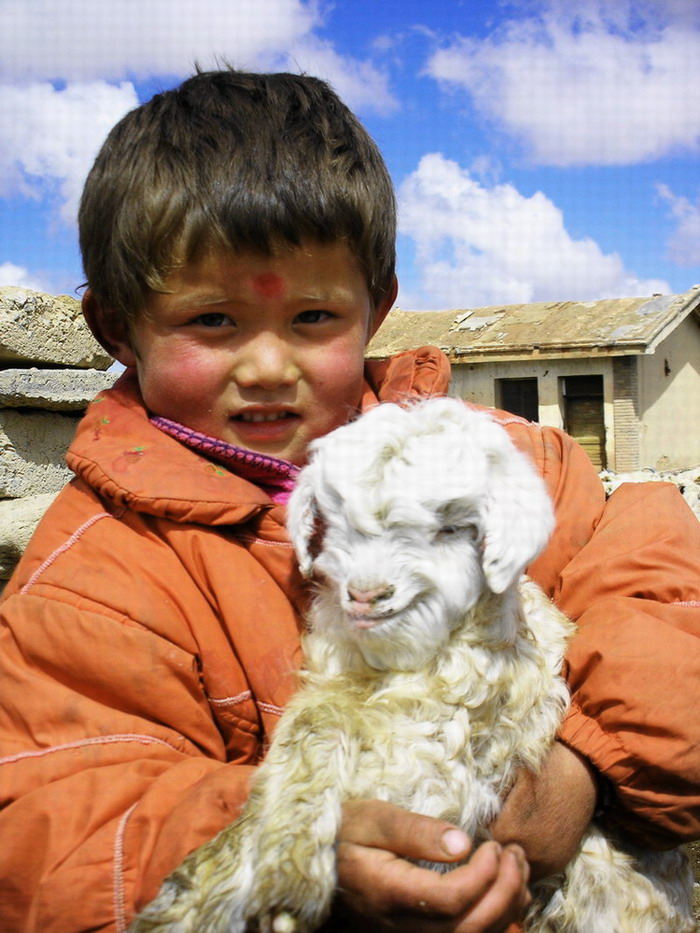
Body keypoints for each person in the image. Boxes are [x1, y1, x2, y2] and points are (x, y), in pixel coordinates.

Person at [0, 69, 698, 933]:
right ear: (116, 328)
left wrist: (588, 764)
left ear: (377, 309)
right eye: (212, 321)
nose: (266, 366)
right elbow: (53, 824)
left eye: (312, 318)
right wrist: (305, 850)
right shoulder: (97, 577)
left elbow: (661, 586)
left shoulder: (496, 461)